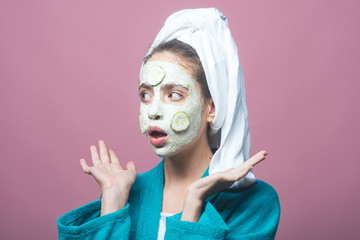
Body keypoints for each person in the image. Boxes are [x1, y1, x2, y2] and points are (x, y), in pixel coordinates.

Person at [57, 8, 280, 240]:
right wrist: (113, 200)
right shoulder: (124, 195)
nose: (153, 111)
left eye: (174, 95)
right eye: (145, 95)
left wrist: (194, 201)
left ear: (212, 109)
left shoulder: (255, 203)